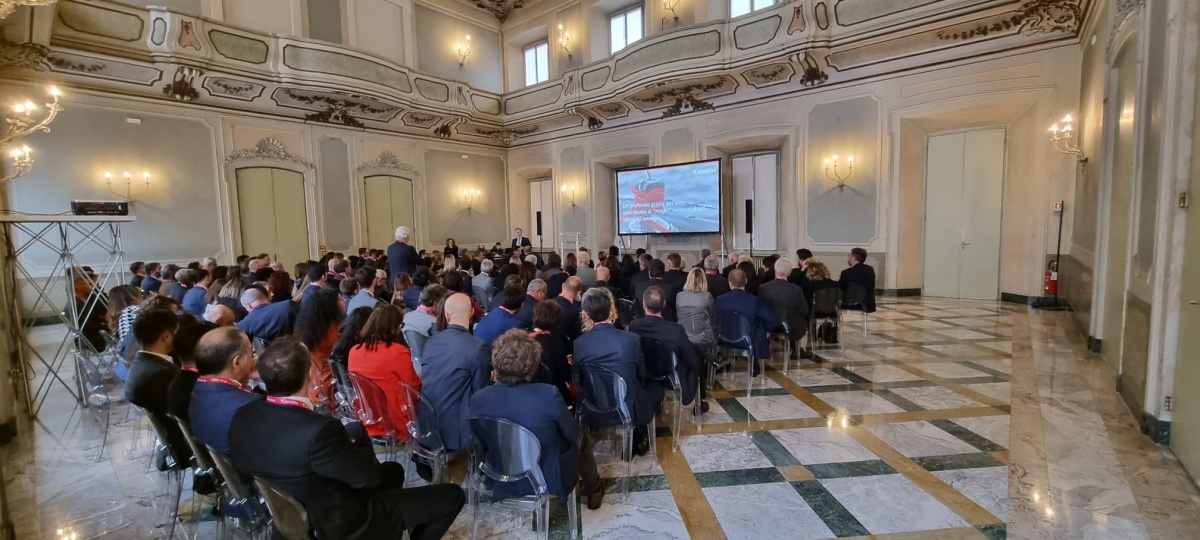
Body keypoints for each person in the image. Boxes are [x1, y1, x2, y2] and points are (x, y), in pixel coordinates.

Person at [228, 338, 466, 540]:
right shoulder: (319, 431)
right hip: (343, 523)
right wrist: (351, 447)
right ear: (311, 374)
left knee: (393, 469)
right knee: (453, 496)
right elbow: (369, 478)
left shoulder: (242, 416)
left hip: (296, 508)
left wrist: (342, 449)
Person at [468, 330, 605, 510]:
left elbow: (478, 443)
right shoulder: (548, 395)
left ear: (495, 362)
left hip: (500, 472)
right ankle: (594, 489)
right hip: (547, 476)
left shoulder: (478, 399)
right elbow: (572, 434)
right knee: (582, 437)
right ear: (533, 366)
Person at [573, 288, 662, 456]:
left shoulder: (579, 344)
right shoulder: (630, 339)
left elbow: (579, 380)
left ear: (586, 314)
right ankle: (639, 437)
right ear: (610, 309)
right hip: (627, 407)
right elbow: (641, 375)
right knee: (656, 390)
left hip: (595, 406)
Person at [419, 294, 491, 451]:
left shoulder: (430, 342)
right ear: (472, 312)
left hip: (426, 426)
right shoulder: (478, 347)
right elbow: (481, 394)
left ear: (446, 315)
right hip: (457, 434)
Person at [629, 286, 706, 412]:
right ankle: (699, 403)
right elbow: (691, 361)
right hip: (671, 378)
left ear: (643, 304)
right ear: (664, 303)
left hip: (646, 375)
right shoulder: (676, 330)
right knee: (696, 358)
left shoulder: (634, 326)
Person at [349, 305, 421, 439]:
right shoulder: (397, 352)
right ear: (393, 328)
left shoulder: (354, 351)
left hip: (368, 417)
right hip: (397, 421)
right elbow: (413, 389)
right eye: (400, 325)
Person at [186, 326, 262, 454]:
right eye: (251, 352)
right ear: (237, 362)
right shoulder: (250, 406)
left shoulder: (199, 390)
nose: (254, 358)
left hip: (225, 469)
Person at [715, 269, 780, 376]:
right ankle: (755, 365)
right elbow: (772, 318)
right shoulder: (754, 301)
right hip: (748, 340)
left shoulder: (720, 300)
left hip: (724, 339)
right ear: (746, 281)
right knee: (759, 323)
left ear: (729, 283)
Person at [295, 288, 342, 411]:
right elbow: (334, 344)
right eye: (339, 298)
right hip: (322, 370)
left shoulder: (309, 323)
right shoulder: (328, 327)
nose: (343, 300)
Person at [758, 258, 809, 357]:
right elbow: (804, 310)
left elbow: (760, 309)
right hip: (791, 327)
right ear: (789, 273)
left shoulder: (763, 288)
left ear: (775, 270)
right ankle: (797, 350)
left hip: (770, 325)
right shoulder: (796, 289)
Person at [529, 301, 574, 407]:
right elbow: (565, 373)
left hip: (530, 391)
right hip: (554, 393)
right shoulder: (558, 341)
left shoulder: (525, 338)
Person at [676, 268, 716, 374]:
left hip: (684, 336)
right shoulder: (707, 296)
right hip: (703, 337)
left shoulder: (679, 296)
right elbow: (713, 315)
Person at [839, 247, 877, 313]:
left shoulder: (846, 273)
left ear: (853, 258)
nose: (848, 258)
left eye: (849, 256)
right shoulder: (870, 270)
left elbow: (840, 288)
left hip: (849, 304)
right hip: (866, 304)